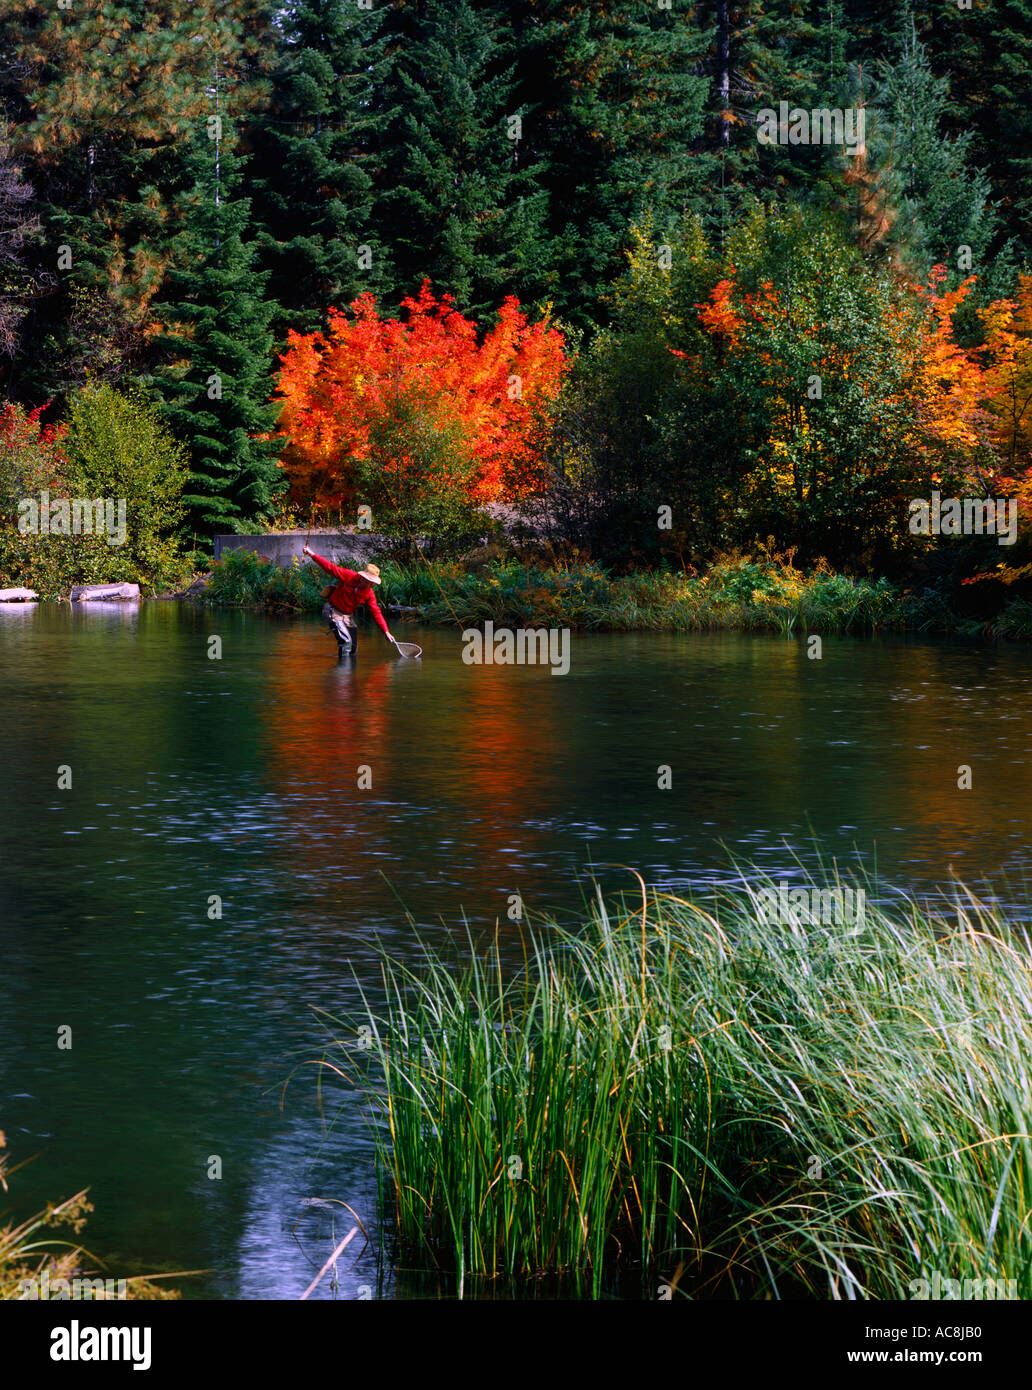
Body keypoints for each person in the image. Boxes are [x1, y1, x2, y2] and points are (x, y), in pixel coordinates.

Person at [302, 543, 397, 658]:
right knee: (346, 642)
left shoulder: (369, 593)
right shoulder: (349, 576)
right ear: (362, 577)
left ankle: (350, 674)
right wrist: (311, 553)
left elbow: (375, 612)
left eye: (373, 582)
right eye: (368, 581)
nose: (370, 584)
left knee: (353, 647)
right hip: (332, 611)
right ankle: (342, 674)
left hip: (347, 616)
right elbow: (330, 568)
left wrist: (385, 631)